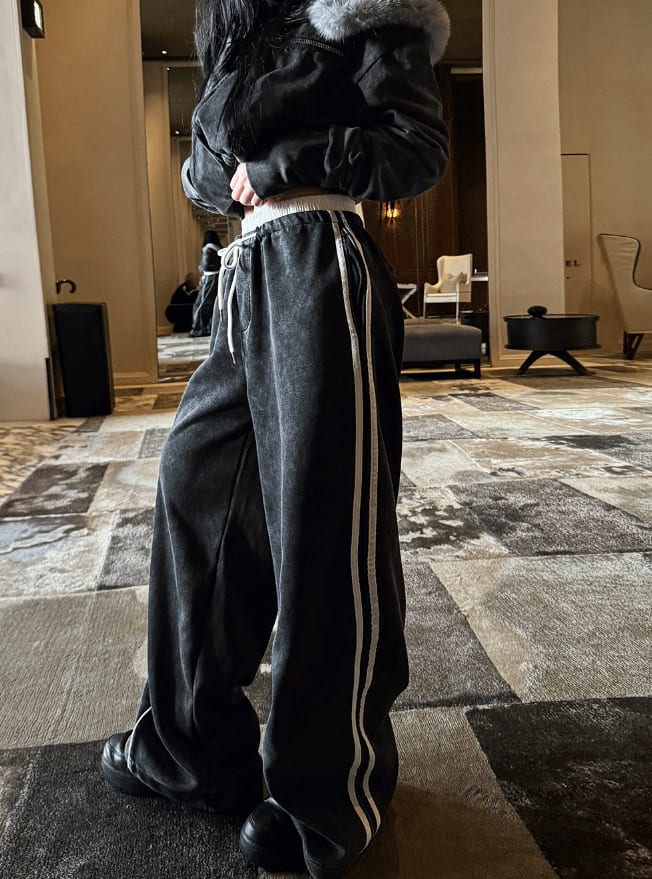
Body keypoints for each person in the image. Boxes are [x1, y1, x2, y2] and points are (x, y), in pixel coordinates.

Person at [100, 0, 450, 875]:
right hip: (247, 270)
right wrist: (226, 174)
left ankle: (332, 790)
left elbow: (416, 149)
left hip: (322, 257)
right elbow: (203, 175)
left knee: (322, 525)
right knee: (194, 485)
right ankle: (191, 746)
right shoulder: (238, 35)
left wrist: (285, 162)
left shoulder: (363, 12)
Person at [189, 229, 222, 337]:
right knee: (212, 304)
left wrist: (201, 272)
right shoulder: (218, 248)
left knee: (202, 303)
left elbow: (206, 266)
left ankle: (198, 328)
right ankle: (208, 327)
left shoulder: (207, 248)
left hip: (209, 278)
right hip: (217, 277)